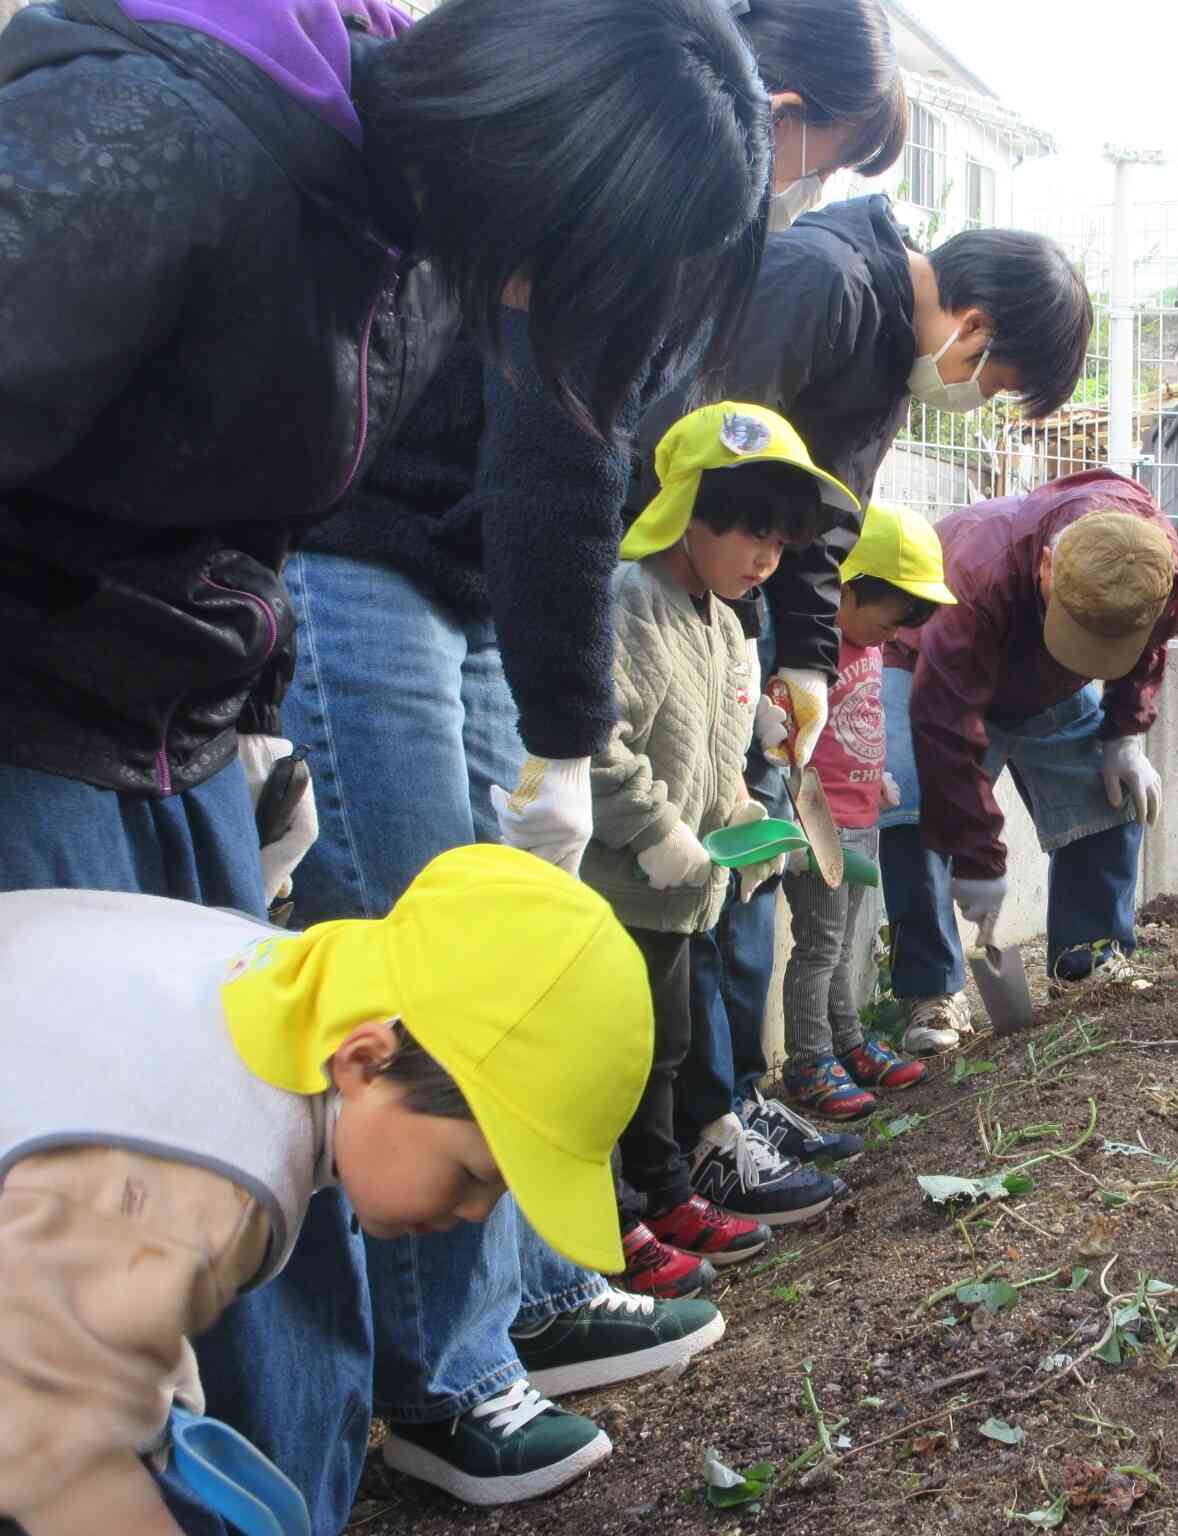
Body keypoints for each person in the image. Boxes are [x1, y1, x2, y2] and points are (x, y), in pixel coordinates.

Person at [0, 0, 776, 1525]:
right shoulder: (173, 136)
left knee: (254, 1204)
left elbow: (241, 504)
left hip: (169, 714)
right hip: (33, 712)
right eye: (604, 268)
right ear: (548, 177)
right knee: (114, 1216)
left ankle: (287, 1494)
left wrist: (256, 714)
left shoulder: (406, 239)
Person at [268, 2, 900, 1508]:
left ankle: (534, 1296)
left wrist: (546, 715)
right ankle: (442, 1377)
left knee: (505, 978)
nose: (800, 191)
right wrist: (568, 737)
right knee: (434, 984)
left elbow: (572, 452)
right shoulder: (598, 141)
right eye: (818, 155)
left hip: (470, 579)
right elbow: (560, 440)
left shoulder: (639, 178)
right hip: (364, 566)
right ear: (776, 108)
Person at [0, 844, 722, 1536]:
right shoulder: (207, 1192)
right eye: (473, 1175)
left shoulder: (266, 975)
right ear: (367, 1063)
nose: (475, 1212)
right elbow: (45, 1443)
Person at [641, 206, 1094, 1060]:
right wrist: (712, 629)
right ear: (975, 327)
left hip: (743, 621)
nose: (977, 399)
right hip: (687, 609)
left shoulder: (887, 354)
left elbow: (821, 528)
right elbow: (701, 452)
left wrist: (807, 665)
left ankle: (735, 1091)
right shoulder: (825, 282)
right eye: (995, 384)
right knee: (710, 863)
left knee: (753, 857)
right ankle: (716, 1097)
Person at [586, 403, 860, 1294]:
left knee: (665, 1049)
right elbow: (592, 743)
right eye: (750, 531)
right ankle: (616, 1219)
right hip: (619, 891)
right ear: (686, 510)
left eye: (780, 541)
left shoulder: (729, 625)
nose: (766, 558)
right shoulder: (632, 603)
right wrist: (658, 833)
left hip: (681, 896)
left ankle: (665, 1196)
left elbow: (720, 751)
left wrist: (742, 811)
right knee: (617, 1061)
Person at [881, 472, 1178, 1013]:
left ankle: (1089, 962)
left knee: (1111, 799)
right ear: (1047, 565)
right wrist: (978, 859)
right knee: (916, 808)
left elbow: (1149, 641)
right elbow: (944, 727)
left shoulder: (1155, 565)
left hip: (1046, 684)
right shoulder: (975, 573)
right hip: (929, 672)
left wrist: (1124, 734)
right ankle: (932, 993)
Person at [779, 503, 954, 1116]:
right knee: (819, 947)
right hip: (818, 822)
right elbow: (788, 740)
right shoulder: (813, 649)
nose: (897, 634)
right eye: (892, 618)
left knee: (846, 941)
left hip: (861, 819)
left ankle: (847, 1044)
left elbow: (854, 723)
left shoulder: (871, 647)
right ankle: (809, 1061)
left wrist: (874, 776)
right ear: (848, 590)